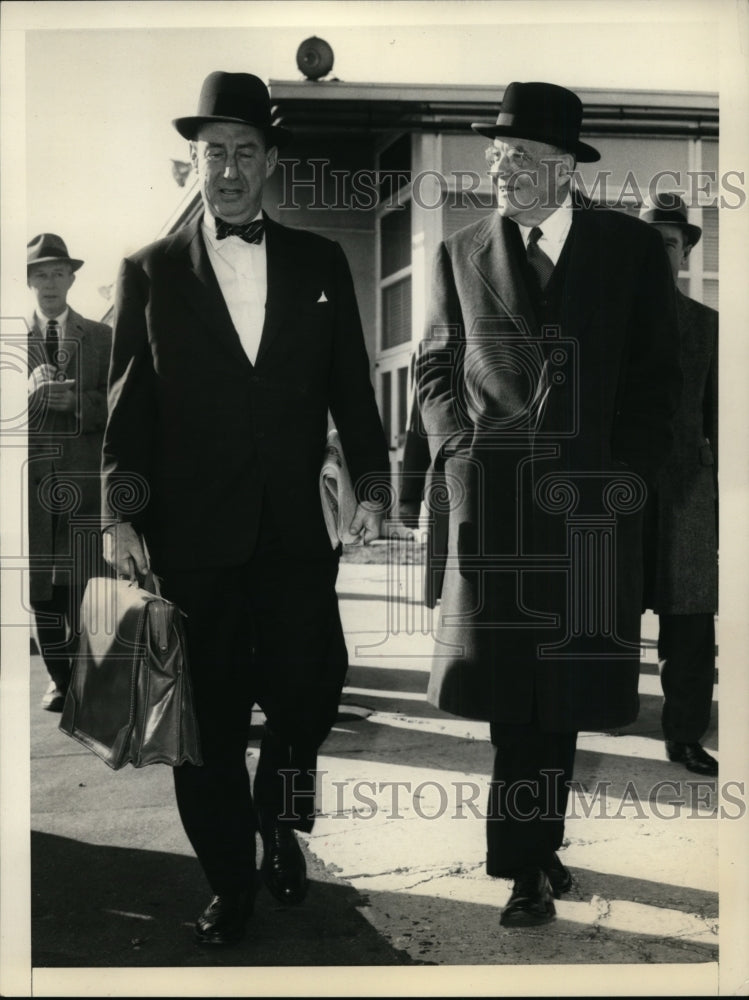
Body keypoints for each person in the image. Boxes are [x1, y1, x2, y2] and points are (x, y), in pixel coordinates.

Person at [100, 71, 390, 946]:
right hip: (194, 541)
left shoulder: (319, 262)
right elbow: (128, 409)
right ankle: (232, 879)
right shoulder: (148, 272)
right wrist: (121, 514)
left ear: (270, 163)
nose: (226, 170)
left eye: (243, 154)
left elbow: (353, 390)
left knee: (311, 693)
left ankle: (281, 820)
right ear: (192, 165)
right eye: (211, 154)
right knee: (209, 727)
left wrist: (374, 489)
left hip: (299, 536)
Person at [409, 81, 681, 928]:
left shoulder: (630, 253)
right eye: (495, 157)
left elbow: (656, 384)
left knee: (563, 697)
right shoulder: (458, 252)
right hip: (496, 517)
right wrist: (461, 460)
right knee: (511, 702)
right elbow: (433, 372)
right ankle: (522, 865)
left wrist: (620, 482)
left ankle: (540, 843)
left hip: (594, 516)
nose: (503, 170)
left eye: (522, 157)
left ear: (564, 168)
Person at [639, 192, 718, 777]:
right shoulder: (607, 320)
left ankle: (685, 733)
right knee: (606, 609)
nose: (657, 251)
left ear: (685, 250)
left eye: (668, 242)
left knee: (689, 619)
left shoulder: (708, 327)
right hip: (618, 490)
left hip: (688, 492)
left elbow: (724, 421)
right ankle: (604, 708)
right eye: (648, 241)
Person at [26, 234, 112, 712]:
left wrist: (78, 403)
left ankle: (86, 682)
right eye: (41, 274)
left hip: (85, 491)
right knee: (42, 593)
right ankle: (60, 681)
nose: (50, 282)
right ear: (28, 281)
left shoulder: (101, 337)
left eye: (59, 272)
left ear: (73, 277)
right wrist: (24, 397)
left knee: (85, 589)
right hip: (31, 494)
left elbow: (122, 406)